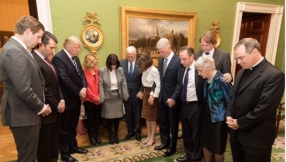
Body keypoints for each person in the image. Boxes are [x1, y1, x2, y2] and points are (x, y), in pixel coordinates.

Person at [0, 15, 52, 162]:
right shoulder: (14, 51)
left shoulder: (18, 49)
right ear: (28, 32)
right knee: (27, 157)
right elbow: (23, 89)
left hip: (26, 113)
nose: (40, 41)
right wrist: (42, 107)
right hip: (22, 114)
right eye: (39, 36)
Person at [226, 38, 285, 162]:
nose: (238, 62)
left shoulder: (274, 75)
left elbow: (264, 109)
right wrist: (229, 115)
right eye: (236, 59)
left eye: (241, 58)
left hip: (256, 137)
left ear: (254, 52)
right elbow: (233, 97)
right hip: (237, 134)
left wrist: (239, 123)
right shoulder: (241, 72)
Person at [52, 36, 88, 162]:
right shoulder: (59, 58)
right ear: (68, 46)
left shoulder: (76, 58)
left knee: (73, 125)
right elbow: (64, 79)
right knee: (64, 128)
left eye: (79, 48)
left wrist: (84, 87)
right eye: (77, 47)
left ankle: (73, 147)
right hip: (66, 100)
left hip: (76, 99)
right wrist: (79, 91)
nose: (78, 50)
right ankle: (65, 154)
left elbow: (81, 74)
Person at [32, 31, 65, 162]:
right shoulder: (34, 61)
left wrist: (61, 99)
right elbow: (42, 89)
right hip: (45, 111)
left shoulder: (48, 62)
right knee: (44, 147)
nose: (53, 51)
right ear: (41, 44)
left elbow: (56, 85)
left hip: (55, 111)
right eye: (51, 47)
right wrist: (56, 104)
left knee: (53, 144)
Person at [195, 56, 233, 162]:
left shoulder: (222, 80)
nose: (199, 73)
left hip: (219, 120)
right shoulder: (206, 80)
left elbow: (231, 100)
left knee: (217, 148)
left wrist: (229, 116)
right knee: (206, 144)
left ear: (209, 67)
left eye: (200, 70)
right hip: (206, 117)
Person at [175, 46, 205, 162]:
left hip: (196, 105)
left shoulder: (200, 69)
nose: (182, 62)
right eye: (180, 59)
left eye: (184, 59)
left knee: (196, 133)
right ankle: (188, 154)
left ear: (192, 56)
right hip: (184, 105)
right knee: (186, 132)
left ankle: (196, 157)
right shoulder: (183, 69)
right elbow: (180, 86)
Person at [154, 38, 181, 157]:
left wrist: (174, 97)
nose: (160, 54)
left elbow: (180, 83)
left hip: (173, 99)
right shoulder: (161, 61)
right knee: (163, 123)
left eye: (162, 51)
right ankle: (165, 142)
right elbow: (159, 80)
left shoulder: (178, 61)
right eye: (159, 51)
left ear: (169, 47)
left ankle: (172, 147)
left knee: (173, 124)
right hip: (162, 97)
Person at [99, 54, 129, 144]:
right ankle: (111, 135)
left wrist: (125, 95)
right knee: (109, 118)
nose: (114, 66)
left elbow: (124, 83)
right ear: (108, 63)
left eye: (115, 65)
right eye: (112, 65)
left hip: (118, 97)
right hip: (108, 98)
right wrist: (102, 96)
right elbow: (100, 84)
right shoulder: (102, 70)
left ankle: (116, 134)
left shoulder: (120, 70)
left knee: (117, 118)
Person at [120, 46, 144, 141]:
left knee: (137, 114)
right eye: (128, 56)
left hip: (137, 93)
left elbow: (144, 79)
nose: (130, 58)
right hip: (126, 93)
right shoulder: (121, 63)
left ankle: (138, 132)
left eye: (132, 56)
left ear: (135, 54)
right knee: (128, 114)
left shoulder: (141, 63)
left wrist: (141, 90)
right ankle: (130, 132)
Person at [137, 52, 160, 147]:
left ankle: (153, 137)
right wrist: (141, 91)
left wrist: (153, 96)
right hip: (146, 93)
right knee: (146, 116)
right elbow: (144, 83)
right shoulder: (145, 70)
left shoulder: (154, 70)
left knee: (152, 117)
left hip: (152, 94)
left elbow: (158, 85)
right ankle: (149, 135)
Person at [82, 54, 102, 146]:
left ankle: (97, 135)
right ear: (88, 63)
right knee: (90, 119)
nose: (95, 65)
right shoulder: (83, 72)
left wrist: (100, 96)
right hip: (88, 99)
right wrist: (95, 98)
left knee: (97, 119)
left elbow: (100, 85)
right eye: (93, 63)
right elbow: (86, 88)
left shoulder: (97, 70)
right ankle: (91, 137)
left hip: (98, 99)